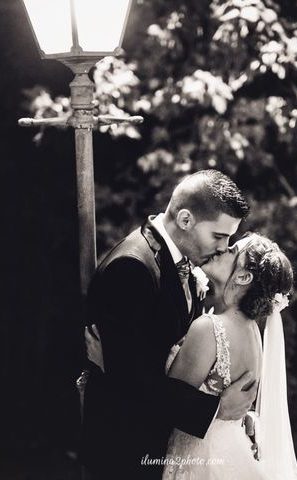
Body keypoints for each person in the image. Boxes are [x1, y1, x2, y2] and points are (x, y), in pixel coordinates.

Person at [80, 170, 256, 479]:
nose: (223, 247)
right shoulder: (132, 268)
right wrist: (216, 411)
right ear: (186, 220)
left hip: (161, 444)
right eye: (218, 236)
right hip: (125, 450)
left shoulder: (184, 262)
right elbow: (132, 380)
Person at [87, 233, 297, 479]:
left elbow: (162, 406)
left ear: (243, 277)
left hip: (199, 459)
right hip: (231, 451)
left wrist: (112, 365)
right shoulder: (251, 330)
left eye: (232, 250)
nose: (222, 249)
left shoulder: (210, 327)